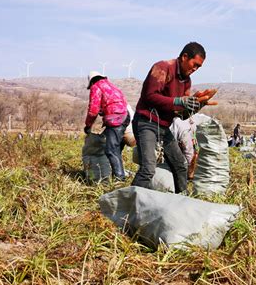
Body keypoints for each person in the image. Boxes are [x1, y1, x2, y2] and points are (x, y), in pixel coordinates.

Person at [131, 42, 207, 193]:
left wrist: (196, 106)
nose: (195, 69)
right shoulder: (162, 67)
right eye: (194, 64)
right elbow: (150, 96)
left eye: (199, 67)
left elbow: (182, 115)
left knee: (180, 164)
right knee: (148, 168)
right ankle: (127, 205)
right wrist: (177, 101)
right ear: (185, 57)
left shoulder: (186, 81)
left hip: (164, 127)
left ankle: (182, 200)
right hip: (146, 122)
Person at [84, 71, 130, 181]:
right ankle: (118, 174)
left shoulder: (96, 87)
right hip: (124, 117)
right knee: (115, 148)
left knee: (111, 150)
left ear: (91, 82)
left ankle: (119, 179)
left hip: (116, 119)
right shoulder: (111, 86)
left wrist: (88, 125)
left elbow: (93, 110)